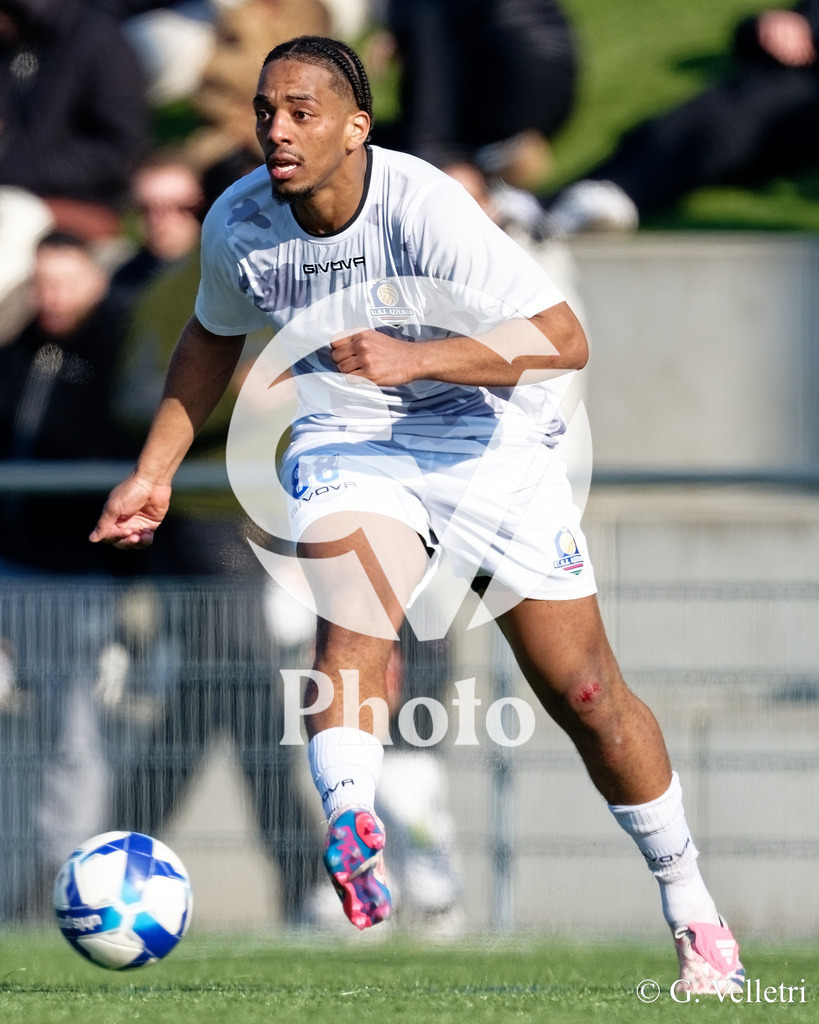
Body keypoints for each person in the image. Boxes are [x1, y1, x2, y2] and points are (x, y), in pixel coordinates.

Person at [91, 36, 743, 992]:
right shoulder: (239, 221)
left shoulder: (425, 204)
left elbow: (561, 339)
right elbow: (211, 332)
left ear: (356, 128)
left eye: (301, 112)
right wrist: (154, 472)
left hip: (487, 440)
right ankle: (354, 826)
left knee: (589, 695)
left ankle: (691, 909)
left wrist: (416, 359)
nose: (277, 129)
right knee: (351, 626)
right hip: (352, 439)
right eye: (266, 110)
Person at [547, 3, 819, 232]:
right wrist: (771, 25)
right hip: (781, 79)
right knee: (692, 122)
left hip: (795, 101)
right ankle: (568, 200)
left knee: (730, 123)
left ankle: (608, 195)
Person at [374, 0, 577, 189]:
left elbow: (433, 20)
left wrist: (436, 151)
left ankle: (454, 165)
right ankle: (486, 161)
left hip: (516, 76)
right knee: (372, 144)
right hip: (549, 83)